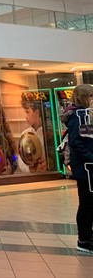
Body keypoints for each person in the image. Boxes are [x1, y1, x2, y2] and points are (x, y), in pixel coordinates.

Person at [60, 84, 93, 253]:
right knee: (86, 203)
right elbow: (76, 142)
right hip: (84, 168)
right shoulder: (76, 116)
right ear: (82, 97)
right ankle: (84, 239)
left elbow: (86, 137)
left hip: (88, 167)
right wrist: (91, 157)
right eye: (91, 95)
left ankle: (89, 236)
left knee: (90, 203)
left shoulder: (85, 115)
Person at [17, 100, 47, 173]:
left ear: (36, 112)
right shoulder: (25, 134)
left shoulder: (49, 134)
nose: (26, 117)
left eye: (27, 112)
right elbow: (20, 159)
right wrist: (31, 169)